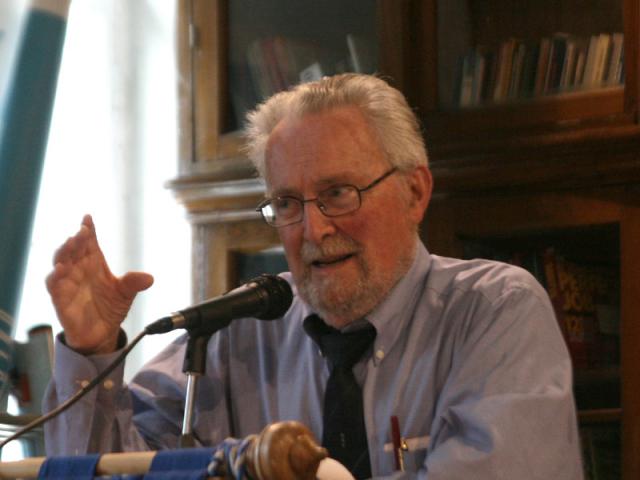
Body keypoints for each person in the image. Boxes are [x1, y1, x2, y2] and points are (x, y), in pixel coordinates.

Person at [44, 73, 584, 479]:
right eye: (287, 203)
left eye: (338, 194)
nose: (313, 229)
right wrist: (93, 352)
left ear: (415, 192)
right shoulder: (240, 334)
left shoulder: (493, 311)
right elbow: (110, 471)